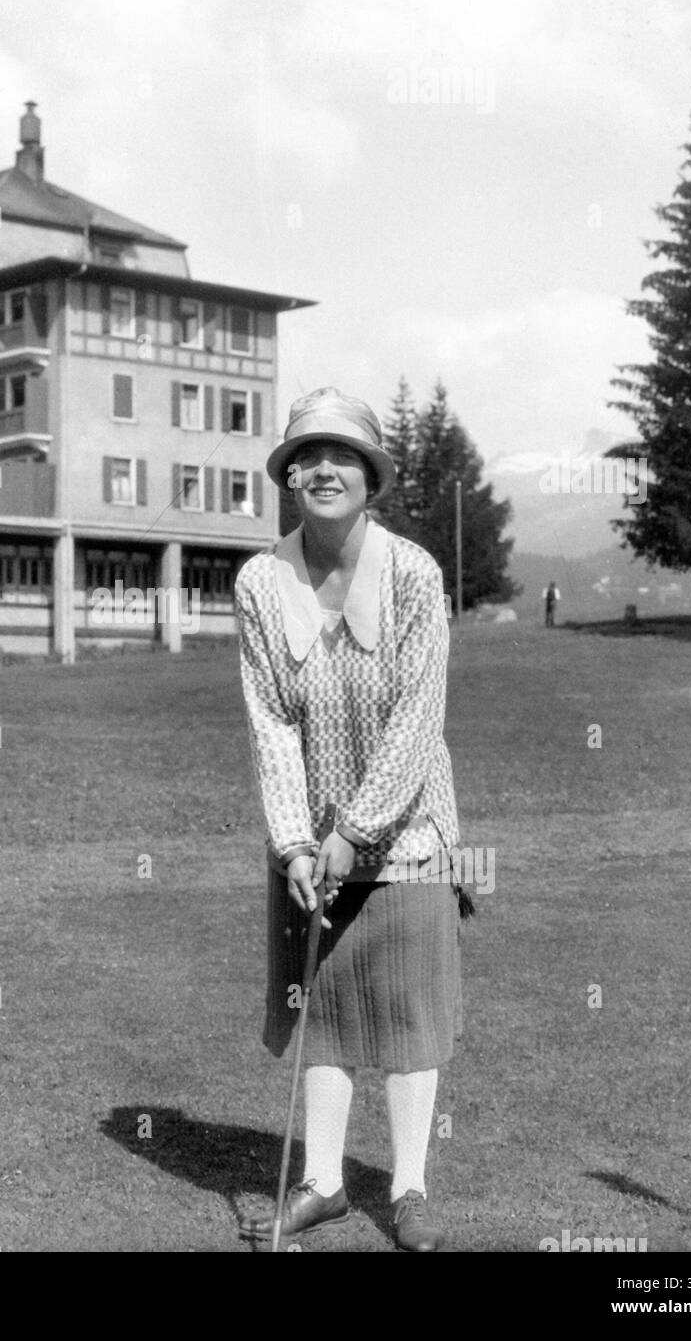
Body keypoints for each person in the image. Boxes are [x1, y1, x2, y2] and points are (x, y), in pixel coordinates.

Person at [234, 387, 468, 1252]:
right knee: (322, 1005)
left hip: (405, 834)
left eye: (343, 456)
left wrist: (355, 830)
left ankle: (407, 1187)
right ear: (290, 476)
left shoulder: (414, 573)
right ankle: (325, 1182)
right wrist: (296, 841)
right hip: (310, 845)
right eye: (307, 456)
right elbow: (271, 720)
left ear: (370, 475)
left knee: (406, 1012)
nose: (323, 469)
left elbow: (417, 719)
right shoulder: (261, 581)